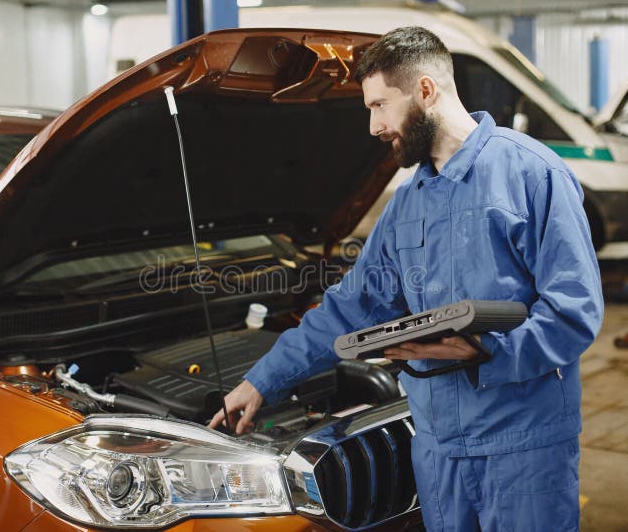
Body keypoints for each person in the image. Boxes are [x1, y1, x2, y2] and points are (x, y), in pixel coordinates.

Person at [210, 26, 603, 531]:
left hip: (521, 446)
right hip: (438, 451)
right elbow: (348, 308)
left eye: (380, 105)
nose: (373, 126)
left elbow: (573, 312)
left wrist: (486, 351)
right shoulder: (408, 204)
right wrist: (261, 383)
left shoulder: (531, 174)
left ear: (424, 91)